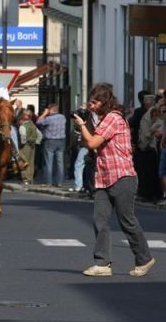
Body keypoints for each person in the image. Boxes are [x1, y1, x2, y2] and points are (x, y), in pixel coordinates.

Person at [74, 83, 155, 277]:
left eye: (94, 102)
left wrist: (82, 125)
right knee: (99, 220)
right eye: (90, 102)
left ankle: (144, 258)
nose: (91, 106)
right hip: (104, 177)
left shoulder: (113, 118)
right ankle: (102, 263)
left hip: (121, 176)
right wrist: (85, 125)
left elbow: (93, 142)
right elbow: (90, 143)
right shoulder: (102, 120)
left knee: (127, 220)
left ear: (104, 102)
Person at [36, 103, 66, 187]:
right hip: (61, 141)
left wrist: (44, 114)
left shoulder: (49, 119)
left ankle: (49, 182)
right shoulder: (62, 117)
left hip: (50, 141)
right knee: (60, 162)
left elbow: (38, 122)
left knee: (49, 162)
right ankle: (60, 182)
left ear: (51, 110)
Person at [18, 109, 41, 185]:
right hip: (32, 146)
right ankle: (30, 178)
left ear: (24, 116)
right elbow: (40, 135)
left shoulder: (23, 126)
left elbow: (23, 136)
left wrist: (22, 144)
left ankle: (25, 179)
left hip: (25, 146)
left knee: (23, 161)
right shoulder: (33, 125)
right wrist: (36, 142)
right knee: (31, 162)